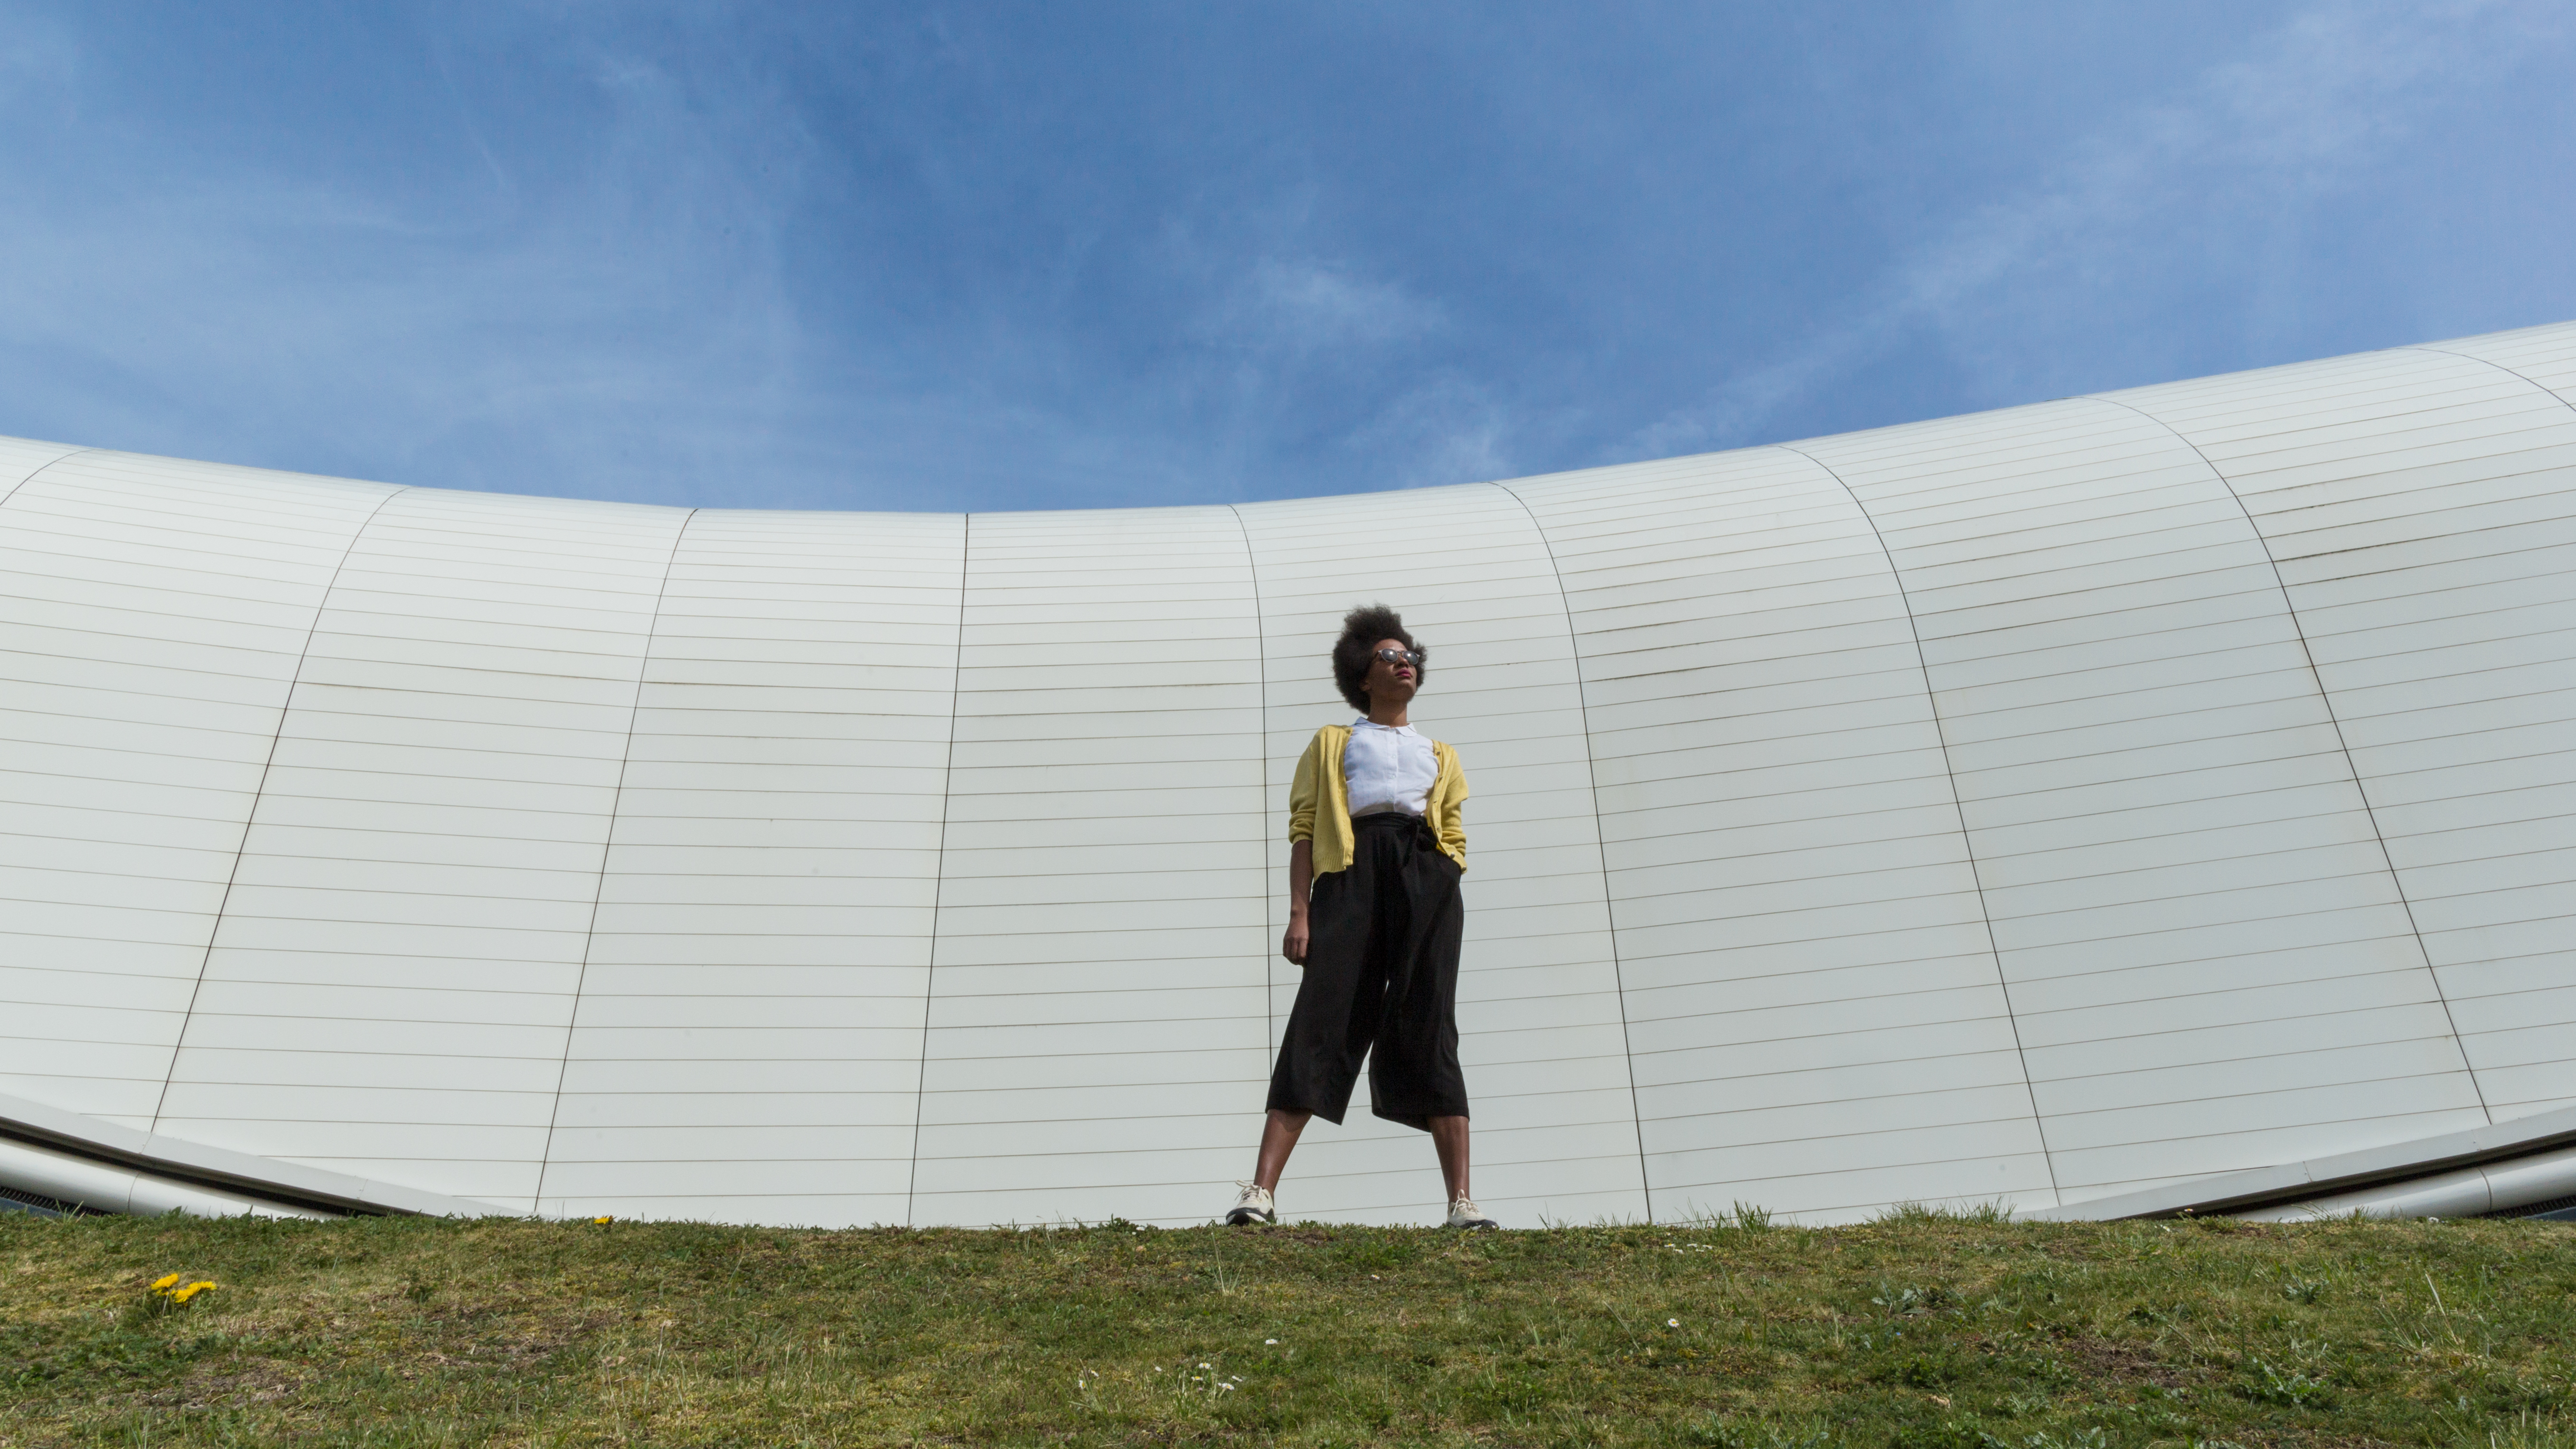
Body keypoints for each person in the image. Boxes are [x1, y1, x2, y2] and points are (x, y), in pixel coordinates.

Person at [1226, 605, 1497, 1231]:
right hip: (1350, 879)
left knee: (1432, 1023)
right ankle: (1260, 1194)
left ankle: (1461, 1203)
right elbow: (1303, 831)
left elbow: (1451, 827)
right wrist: (1301, 912)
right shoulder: (1333, 743)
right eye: (1388, 657)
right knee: (1321, 1020)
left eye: (1410, 657)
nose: (1404, 664)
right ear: (1362, 675)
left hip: (1426, 879)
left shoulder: (1439, 753)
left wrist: (1444, 870)